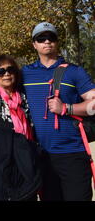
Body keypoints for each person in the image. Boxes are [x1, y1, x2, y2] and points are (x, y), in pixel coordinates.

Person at [22, 22, 95, 201]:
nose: (47, 41)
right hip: (43, 155)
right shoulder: (25, 74)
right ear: (34, 44)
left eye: (51, 37)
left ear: (57, 42)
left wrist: (67, 108)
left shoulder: (74, 72)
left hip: (73, 154)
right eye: (41, 38)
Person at [0, 54, 41, 201]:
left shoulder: (25, 98)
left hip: (26, 165)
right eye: (1, 71)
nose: (6, 74)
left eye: (10, 70)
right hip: (2, 167)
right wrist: (12, 151)